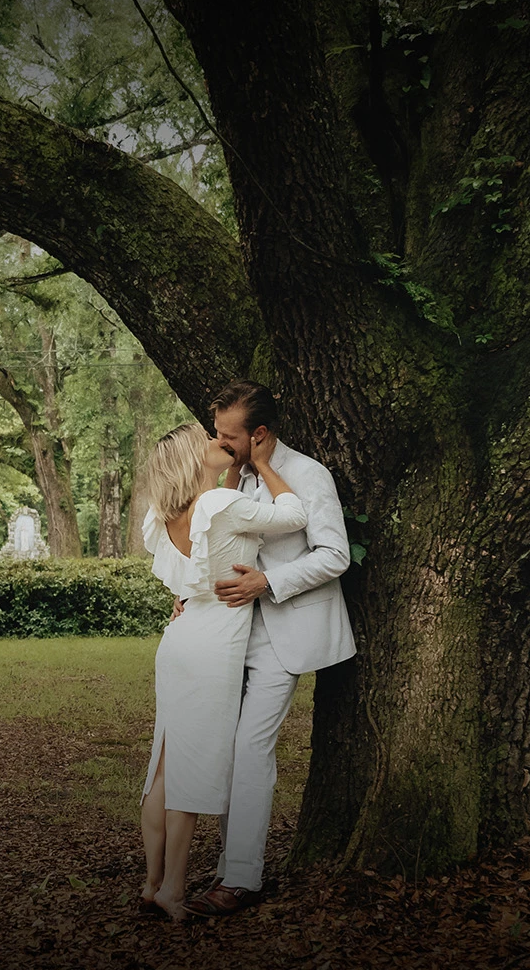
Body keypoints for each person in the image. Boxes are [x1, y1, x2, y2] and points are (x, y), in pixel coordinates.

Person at [181, 379, 356, 918]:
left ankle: (241, 879)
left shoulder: (308, 475)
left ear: (258, 433)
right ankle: (228, 865)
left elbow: (335, 555)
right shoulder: (234, 477)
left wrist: (267, 583)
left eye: (228, 435)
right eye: (217, 432)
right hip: (229, 634)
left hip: (286, 633)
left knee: (250, 748)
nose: (220, 441)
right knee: (224, 747)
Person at [136, 421, 307, 921]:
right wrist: (264, 466)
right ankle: (171, 888)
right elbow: (294, 515)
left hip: (179, 640)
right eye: (208, 441)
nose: (219, 443)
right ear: (194, 459)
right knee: (190, 770)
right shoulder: (218, 505)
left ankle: (151, 882)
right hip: (212, 647)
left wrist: (234, 473)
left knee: (165, 765)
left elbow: (201, 558)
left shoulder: (166, 514)